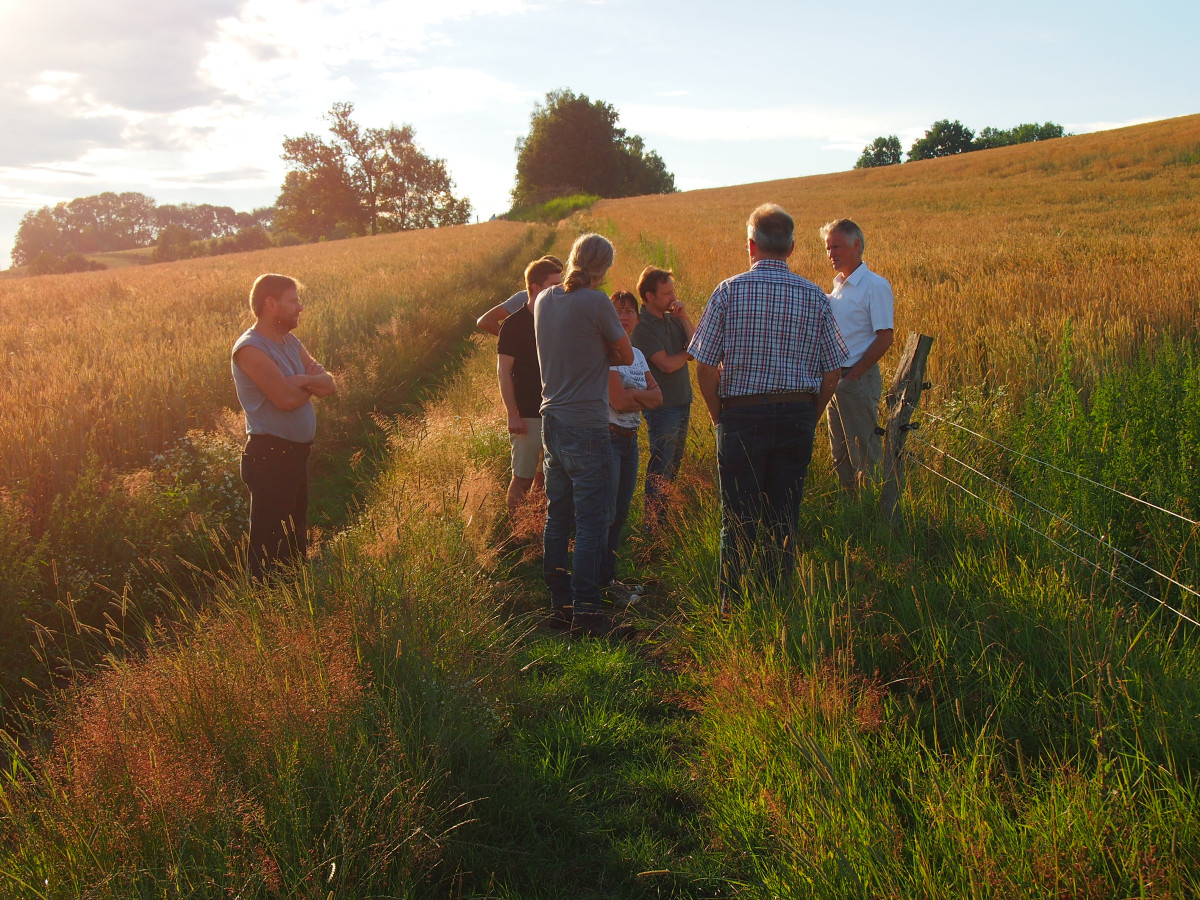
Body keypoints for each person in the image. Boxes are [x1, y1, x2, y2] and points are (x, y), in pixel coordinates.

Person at [688, 205, 846, 609]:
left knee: (737, 514)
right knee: (784, 513)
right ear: (792, 248)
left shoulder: (728, 291)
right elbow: (833, 372)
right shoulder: (816, 296)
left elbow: (705, 366)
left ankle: (733, 603)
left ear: (751, 246)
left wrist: (716, 413)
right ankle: (777, 601)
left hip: (740, 414)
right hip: (796, 415)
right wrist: (809, 416)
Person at [535, 234, 633, 636]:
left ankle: (560, 600)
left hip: (551, 420)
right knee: (593, 519)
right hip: (587, 424)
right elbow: (626, 355)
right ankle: (588, 610)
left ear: (574, 258)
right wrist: (601, 350)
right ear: (604, 267)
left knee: (558, 514)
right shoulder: (595, 301)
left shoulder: (545, 299)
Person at [231, 274, 337, 578]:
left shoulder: (290, 341)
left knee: (293, 544)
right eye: (293, 301)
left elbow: (329, 385)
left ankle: (292, 605)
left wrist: (302, 380)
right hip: (270, 458)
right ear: (271, 304)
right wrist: (308, 386)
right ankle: (266, 612)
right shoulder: (250, 349)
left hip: (294, 456)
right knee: (269, 550)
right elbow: (285, 399)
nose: (300, 308)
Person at [820, 219, 895, 493]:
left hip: (857, 380)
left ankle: (872, 515)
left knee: (864, 454)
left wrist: (853, 375)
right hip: (835, 380)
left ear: (857, 244)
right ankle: (851, 511)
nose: (831, 253)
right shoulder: (838, 288)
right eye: (828, 248)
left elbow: (885, 337)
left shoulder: (874, 286)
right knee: (839, 455)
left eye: (836, 246)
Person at [604, 290, 663, 602]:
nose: (624, 317)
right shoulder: (608, 352)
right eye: (617, 311)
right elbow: (618, 401)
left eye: (629, 311)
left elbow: (659, 399)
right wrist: (638, 397)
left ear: (637, 318)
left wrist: (633, 397)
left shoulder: (637, 355)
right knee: (607, 512)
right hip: (609, 437)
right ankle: (600, 584)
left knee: (621, 512)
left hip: (630, 440)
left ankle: (609, 581)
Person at [497, 256, 563, 518]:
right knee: (522, 478)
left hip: (555, 412)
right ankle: (517, 535)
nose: (560, 290)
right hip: (526, 414)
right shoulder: (513, 325)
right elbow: (503, 371)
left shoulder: (558, 318)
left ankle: (537, 531)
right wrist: (512, 414)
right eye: (553, 285)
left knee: (545, 477)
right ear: (535, 288)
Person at [631, 266, 694, 529]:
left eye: (673, 291)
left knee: (673, 466)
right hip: (662, 408)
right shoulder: (642, 326)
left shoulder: (673, 317)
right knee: (661, 467)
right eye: (666, 293)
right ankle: (652, 527)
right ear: (649, 296)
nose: (672, 297)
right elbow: (667, 365)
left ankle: (663, 523)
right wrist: (686, 355)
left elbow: (698, 344)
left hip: (682, 401)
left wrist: (685, 317)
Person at [476, 255, 564, 336]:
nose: (558, 287)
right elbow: (485, 321)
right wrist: (512, 341)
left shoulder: (563, 297)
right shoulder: (523, 297)